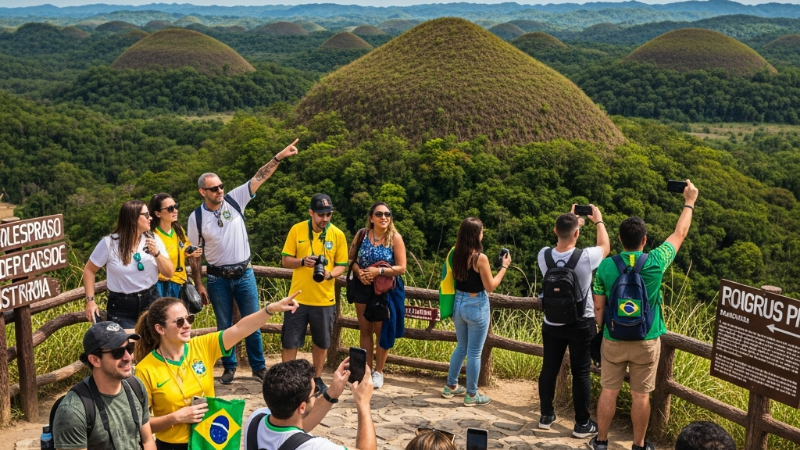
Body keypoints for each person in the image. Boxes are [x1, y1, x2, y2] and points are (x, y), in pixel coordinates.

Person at [590, 180, 699, 450]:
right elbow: (680, 233)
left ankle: (601, 442)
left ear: (619, 239)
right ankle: (638, 445)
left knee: (608, 391)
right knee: (641, 396)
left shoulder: (605, 267)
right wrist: (689, 202)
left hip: (613, 338)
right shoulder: (655, 261)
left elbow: (599, 307)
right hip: (646, 339)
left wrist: (603, 331)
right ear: (644, 240)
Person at [187, 138, 299, 384]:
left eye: (221, 186)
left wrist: (278, 157)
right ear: (202, 192)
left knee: (254, 321)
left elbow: (259, 177)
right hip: (217, 277)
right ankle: (229, 367)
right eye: (213, 188)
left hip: (245, 273)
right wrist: (199, 283)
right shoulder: (196, 218)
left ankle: (258, 367)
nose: (219, 191)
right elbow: (195, 254)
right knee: (224, 326)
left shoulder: (235, 199)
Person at [133, 292, 300, 450]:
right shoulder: (145, 370)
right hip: (172, 446)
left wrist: (270, 309)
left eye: (189, 318)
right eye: (179, 322)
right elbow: (140, 424)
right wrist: (175, 418)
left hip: (209, 441)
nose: (187, 325)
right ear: (160, 329)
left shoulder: (202, 346)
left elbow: (240, 329)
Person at [536, 205, 609, 438]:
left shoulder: (543, 255)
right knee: (581, 373)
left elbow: (565, 238)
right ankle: (582, 423)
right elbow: (605, 247)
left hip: (552, 322)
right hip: (581, 322)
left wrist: (572, 219)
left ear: (554, 231)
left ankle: (546, 415)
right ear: (577, 233)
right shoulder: (585, 257)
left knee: (549, 368)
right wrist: (598, 221)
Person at [281, 194, 349, 395]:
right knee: (290, 341)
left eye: (328, 214)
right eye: (320, 214)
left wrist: (330, 274)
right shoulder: (297, 229)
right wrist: (302, 262)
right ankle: (286, 378)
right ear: (311, 213)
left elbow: (341, 265)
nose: (324, 219)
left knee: (322, 342)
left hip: (324, 299)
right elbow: (285, 260)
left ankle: (317, 378)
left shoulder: (338, 235)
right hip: (297, 299)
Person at [52, 321, 156, 450]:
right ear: (95, 360)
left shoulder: (136, 386)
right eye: (117, 352)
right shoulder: (73, 411)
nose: (128, 357)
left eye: (129, 348)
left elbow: (148, 441)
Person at [442, 217, 510, 406]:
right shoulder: (480, 258)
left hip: (458, 303)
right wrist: (504, 267)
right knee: (474, 352)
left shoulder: (455, 253)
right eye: (481, 231)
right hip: (476, 304)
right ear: (476, 234)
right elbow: (490, 286)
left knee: (461, 347)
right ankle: (471, 395)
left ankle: (451, 386)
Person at [244, 359, 376, 450]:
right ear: (302, 407)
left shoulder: (255, 419)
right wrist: (363, 402)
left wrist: (333, 392)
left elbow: (297, 425)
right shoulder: (314, 446)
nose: (316, 395)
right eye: (315, 392)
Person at [84, 200, 173, 329]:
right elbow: (89, 270)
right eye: (146, 215)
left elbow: (169, 273)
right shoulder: (109, 243)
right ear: (133, 219)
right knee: (127, 341)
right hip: (121, 306)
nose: (150, 218)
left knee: (154, 339)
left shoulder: (153, 239)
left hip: (151, 299)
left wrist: (157, 253)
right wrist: (90, 301)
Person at [349, 201, 407, 389]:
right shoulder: (362, 234)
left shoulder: (395, 238)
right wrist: (359, 272)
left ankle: (379, 371)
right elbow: (350, 259)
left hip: (384, 290)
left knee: (381, 331)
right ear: (371, 217)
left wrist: (378, 272)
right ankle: (366, 370)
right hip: (363, 286)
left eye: (387, 214)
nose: (384, 217)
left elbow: (402, 268)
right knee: (365, 330)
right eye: (379, 214)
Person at [149, 193, 203, 298]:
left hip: (181, 282)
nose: (175, 211)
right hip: (162, 284)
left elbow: (185, 246)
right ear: (158, 213)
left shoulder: (178, 230)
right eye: (170, 209)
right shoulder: (153, 235)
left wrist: (190, 251)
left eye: (176, 206)